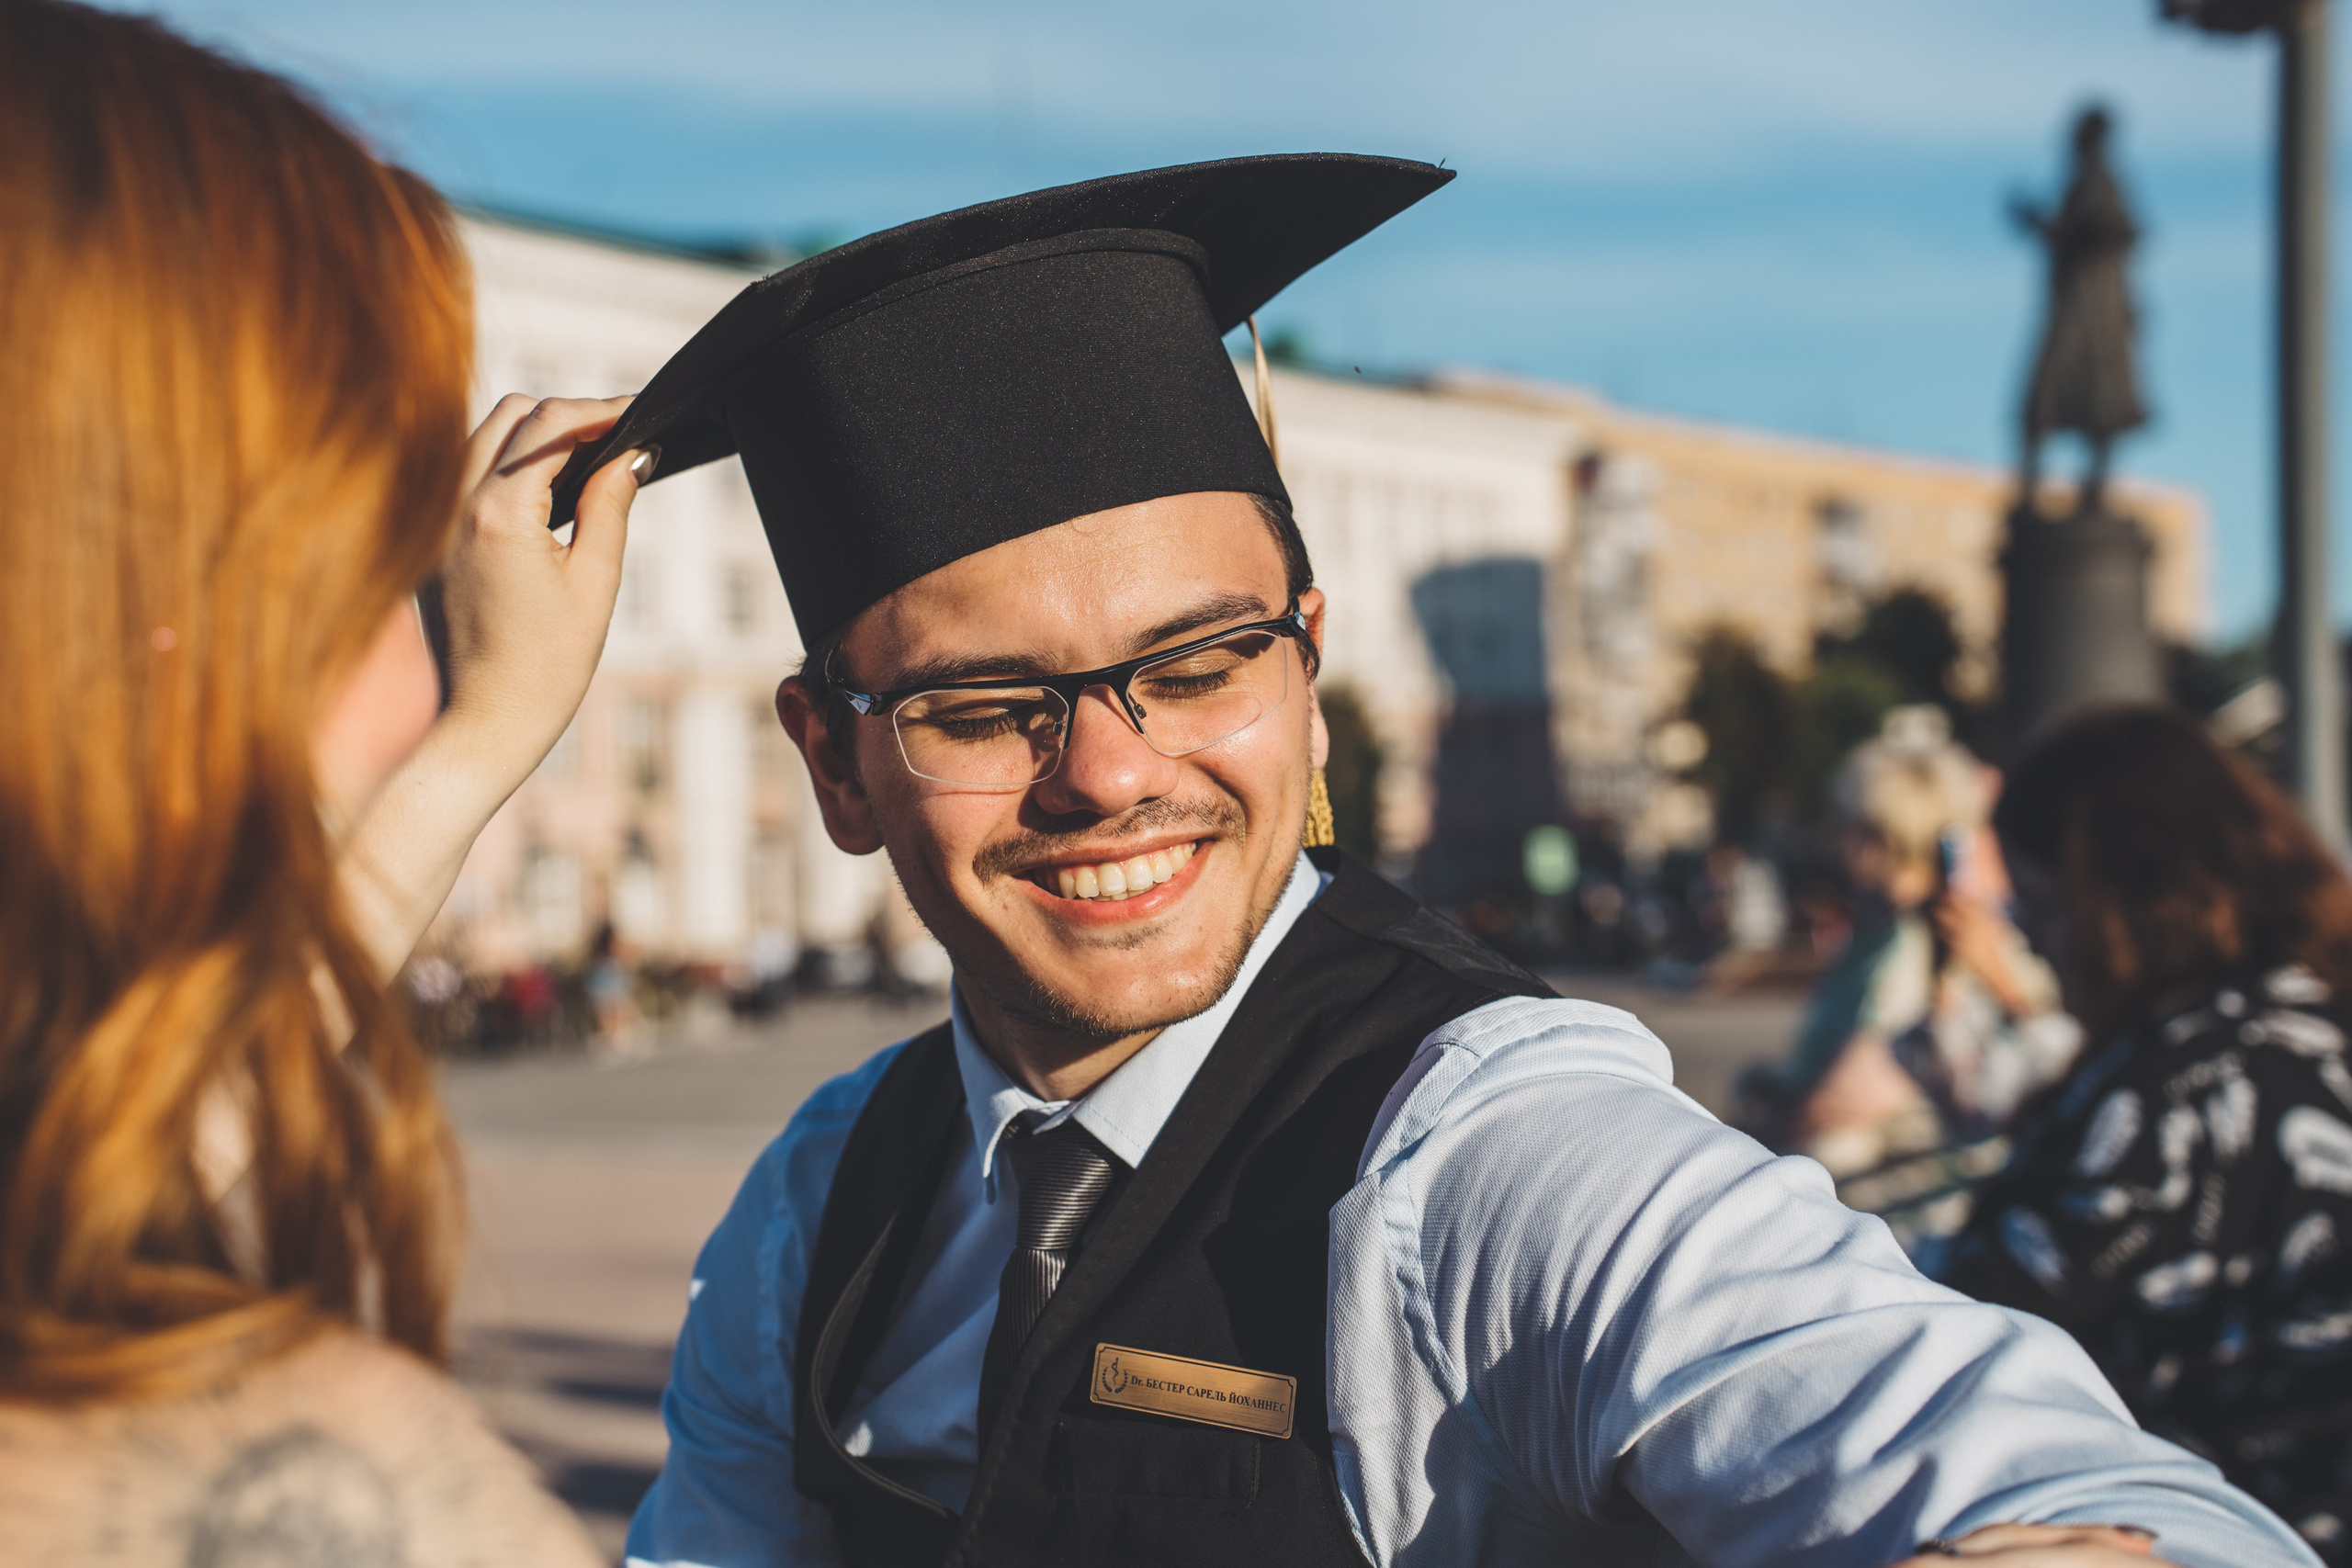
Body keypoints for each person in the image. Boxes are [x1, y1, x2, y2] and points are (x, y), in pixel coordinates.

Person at [584, 158, 2312, 1567]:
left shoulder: (1477, 1158)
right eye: (982, 705)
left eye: (1198, 665)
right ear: (836, 760)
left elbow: (2068, 1483)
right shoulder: (823, 1206)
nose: (1110, 772)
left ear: (1308, 674)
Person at [0, 4, 646, 1560]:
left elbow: (111, 1149)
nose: (406, 680)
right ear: (152, 598)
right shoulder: (256, 1464)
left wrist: (482, 742)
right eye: (373, 548)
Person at [1941, 705, 2352, 1563]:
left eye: (2045, 909)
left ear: (2117, 900)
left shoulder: (2183, 1077)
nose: (2039, 947)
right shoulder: (2311, 1011)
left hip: (2217, 1521)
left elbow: (1982, 1328)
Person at [1741, 706, 2076, 1178]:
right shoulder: (1900, 930)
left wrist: (1760, 1143)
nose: (1836, 836)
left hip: (1882, 1200)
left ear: (1881, 836)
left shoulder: (1917, 945)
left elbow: (1850, 1094)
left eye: (1847, 823)